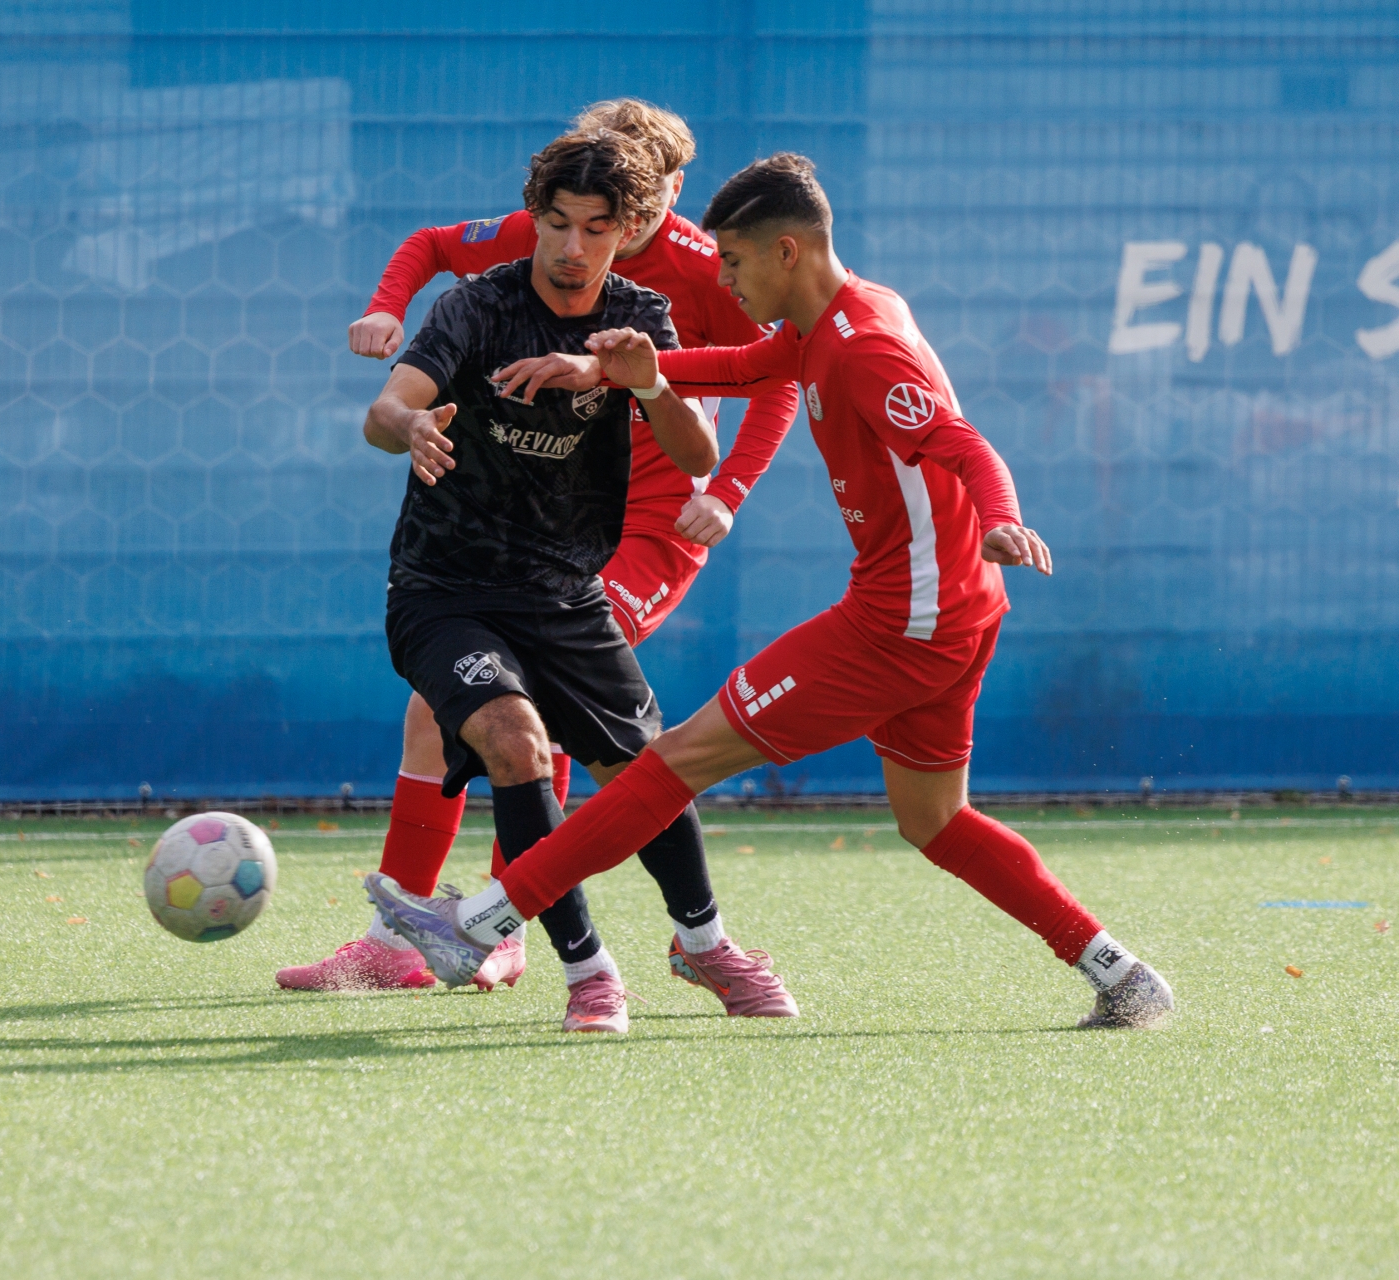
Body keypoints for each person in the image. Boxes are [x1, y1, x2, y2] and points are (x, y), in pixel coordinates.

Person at [367, 153, 1175, 1030]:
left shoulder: (863, 349)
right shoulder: (839, 318)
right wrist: (609, 372)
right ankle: (1120, 973)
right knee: (936, 821)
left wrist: (1003, 518)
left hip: (899, 626)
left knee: (670, 761)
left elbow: (964, 443)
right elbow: (749, 367)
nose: (723, 280)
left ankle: (480, 924)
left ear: (786, 252)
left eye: (733, 261)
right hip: (957, 615)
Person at [279, 99, 799, 997]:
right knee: (455, 710)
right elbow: (430, 253)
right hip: (521, 534)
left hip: (649, 525)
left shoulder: (689, 273)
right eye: (565, 217)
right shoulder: (528, 256)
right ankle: (407, 935)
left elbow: (772, 379)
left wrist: (726, 490)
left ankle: (515, 922)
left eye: (613, 213)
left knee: (567, 724)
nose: (578, 238)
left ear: (655, 201)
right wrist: (387, 322)